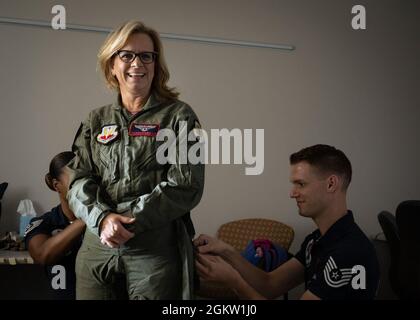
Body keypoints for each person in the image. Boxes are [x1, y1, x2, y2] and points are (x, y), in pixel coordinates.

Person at [66, 20, 204, 300]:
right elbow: (77, 181)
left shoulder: (179, 116)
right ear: (112, 64)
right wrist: (103, 219)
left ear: (156, 64)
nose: (136, 63)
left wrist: (128, 220)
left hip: (153, 252)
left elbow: (186, 186)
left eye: (146, 56)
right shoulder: (95, 120)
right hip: (97, 247)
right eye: (126, 55)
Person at [194, 144, 379, 300]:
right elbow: (270, 284)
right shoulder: (316, 240)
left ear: (331, 184)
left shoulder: (350, 252)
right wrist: (226, 251)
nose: (292, 193)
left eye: (301, 184)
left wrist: (233, 281)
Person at [25, 151, 85, 300]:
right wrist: (88, 219)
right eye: (74, 181)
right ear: (56, 185)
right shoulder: (45, 223)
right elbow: (42, 255)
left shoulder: (107, 221)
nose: (83, 186)